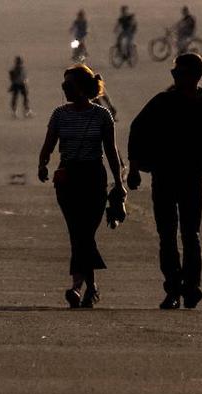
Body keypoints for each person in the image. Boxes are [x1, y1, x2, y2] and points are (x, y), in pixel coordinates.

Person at [128, 52, 202, 310]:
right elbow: (137, 130)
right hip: (164, 177)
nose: (173, 76)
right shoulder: (163, 102)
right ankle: (174, 287)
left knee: (189, 235)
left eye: (177, 72)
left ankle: (190, 287)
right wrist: (134, 167)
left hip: (191, 180)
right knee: (168, 235)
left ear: (192, 76)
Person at [37, 64, 124, 309]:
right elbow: (49, 145)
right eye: (64, 86)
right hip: (68, 178)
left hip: (94, 177)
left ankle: (84, 287)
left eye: (69, 86)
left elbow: (111, 151)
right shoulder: (59, 114)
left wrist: (119, 183)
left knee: (83, 233)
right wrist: (42, 165)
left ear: (83, 88)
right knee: (79, 232)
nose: (64, 90)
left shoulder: (102, 116)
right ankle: (82, 287)